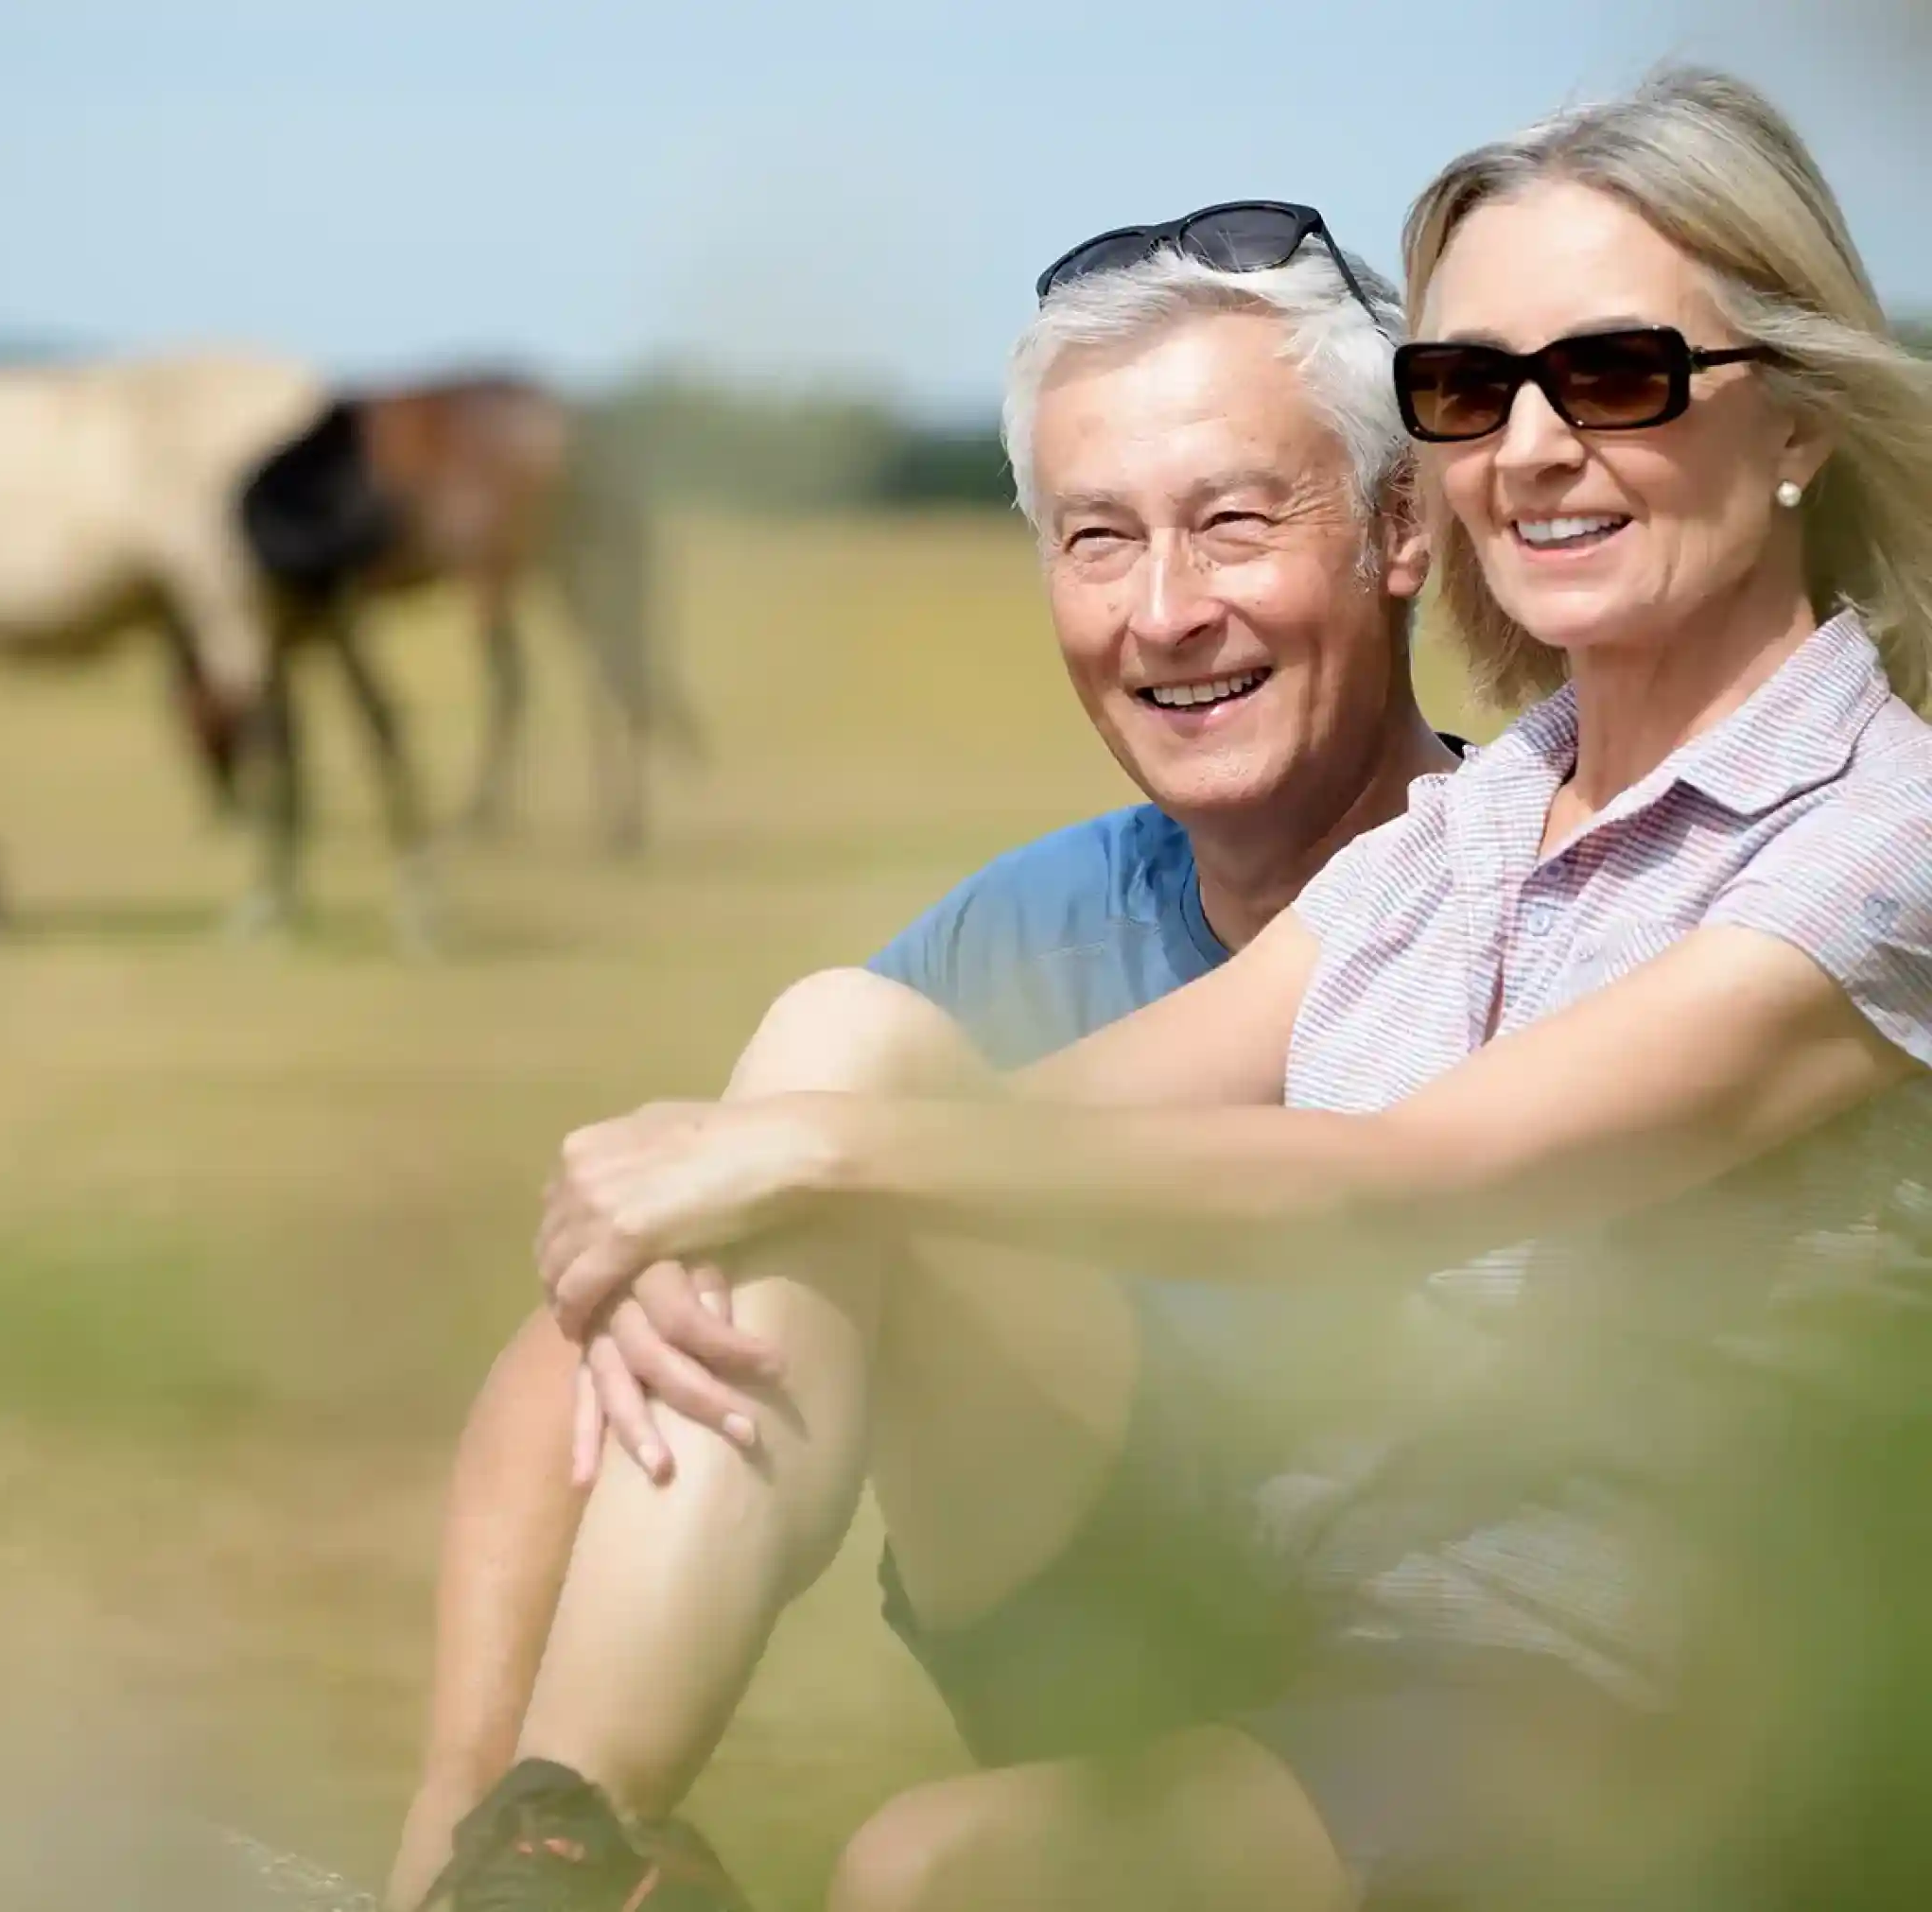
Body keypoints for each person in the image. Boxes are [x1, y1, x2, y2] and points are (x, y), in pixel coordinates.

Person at [500, 65, 1932, 1912]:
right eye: (1467, 388)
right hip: (1308, 1612)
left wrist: (789, 1164)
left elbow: (1409, 1179)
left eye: (1616, 375)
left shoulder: (1884, 838)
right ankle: (538, 1849)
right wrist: (730, 1179)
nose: (1532, 446)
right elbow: (1010, 1136)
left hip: (1620, 1725)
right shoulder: (1481, 819)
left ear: (1796, 423)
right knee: (842, 1049)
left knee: (926, 1877)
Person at [386, 214, 1465, 1910]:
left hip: (1435, 1734)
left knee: (845, 1067)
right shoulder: (1015, 934)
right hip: (1111, 1663)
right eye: (1097, 539)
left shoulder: (1552, 896)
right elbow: (581, 1360)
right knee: (840, 1051)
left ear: (1402, 528)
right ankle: (535, 1863)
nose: (1168, 611)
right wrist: (443, 1828)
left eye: (1234, 523)